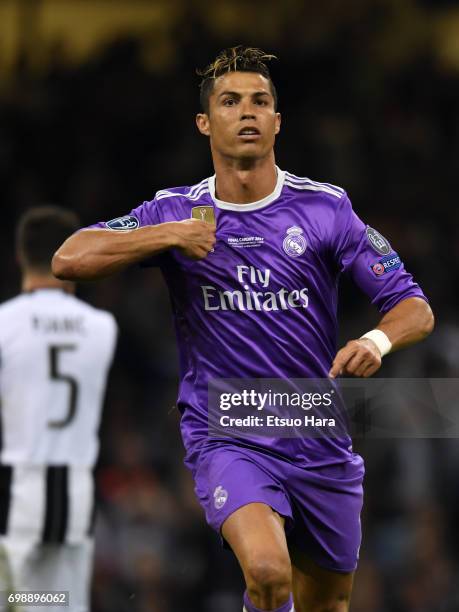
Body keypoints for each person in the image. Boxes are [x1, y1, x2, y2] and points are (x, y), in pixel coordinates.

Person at [52, 47, 434, 612]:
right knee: (266, 571)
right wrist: (166, 238)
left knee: (326, 603)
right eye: (230, 102)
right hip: (227, 428)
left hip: (313, 426)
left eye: (260, 101)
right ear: (206, 122)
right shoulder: (175, 211)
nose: (247, 112)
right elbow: (69, 257)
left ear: (278, 122)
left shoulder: (325, 209)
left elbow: (413, 307)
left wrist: (375, 341)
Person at [0, 207, 117, 612]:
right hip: (77, 487)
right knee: (61, 603)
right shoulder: (101, 326)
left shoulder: (4, 324)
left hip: (17, 485)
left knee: (15, 600)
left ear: (19, 257)